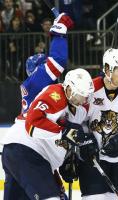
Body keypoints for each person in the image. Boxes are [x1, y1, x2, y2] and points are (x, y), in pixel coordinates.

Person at [1, 68, 94, 200]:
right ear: (68, 88)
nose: (82, 100)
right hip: (26, 151)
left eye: (85, 96)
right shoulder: (55, 93)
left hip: (30, 156)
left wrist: (68, 158)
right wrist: (64, 131)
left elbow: (69, 134)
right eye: (79, 95)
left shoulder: (80, 111)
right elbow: (32, 124)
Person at [70, 48, 118, 200]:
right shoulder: (88, 90)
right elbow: (75, 120)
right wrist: (84, 138)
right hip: (92, 157)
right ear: (106, 68)